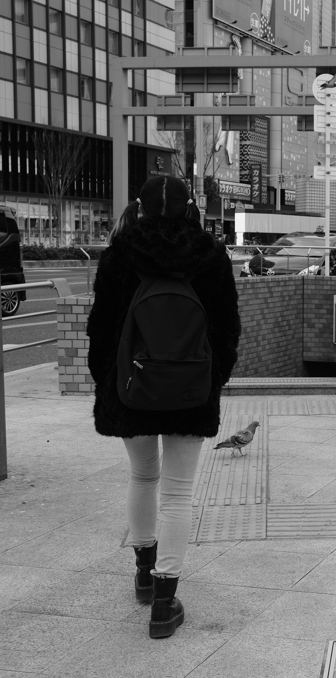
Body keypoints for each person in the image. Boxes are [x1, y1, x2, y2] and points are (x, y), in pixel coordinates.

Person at [87, 176, 240, 639]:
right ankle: (165, 600)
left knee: (142, 476)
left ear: (141, 208)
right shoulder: (210, 256)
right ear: (190, 209)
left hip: (130, 386)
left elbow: (101, 330)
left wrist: (108, 384)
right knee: (177, 492)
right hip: (191, 389)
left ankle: (141, 571)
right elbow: (227, 329)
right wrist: (213, 379)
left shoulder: (119, 255)